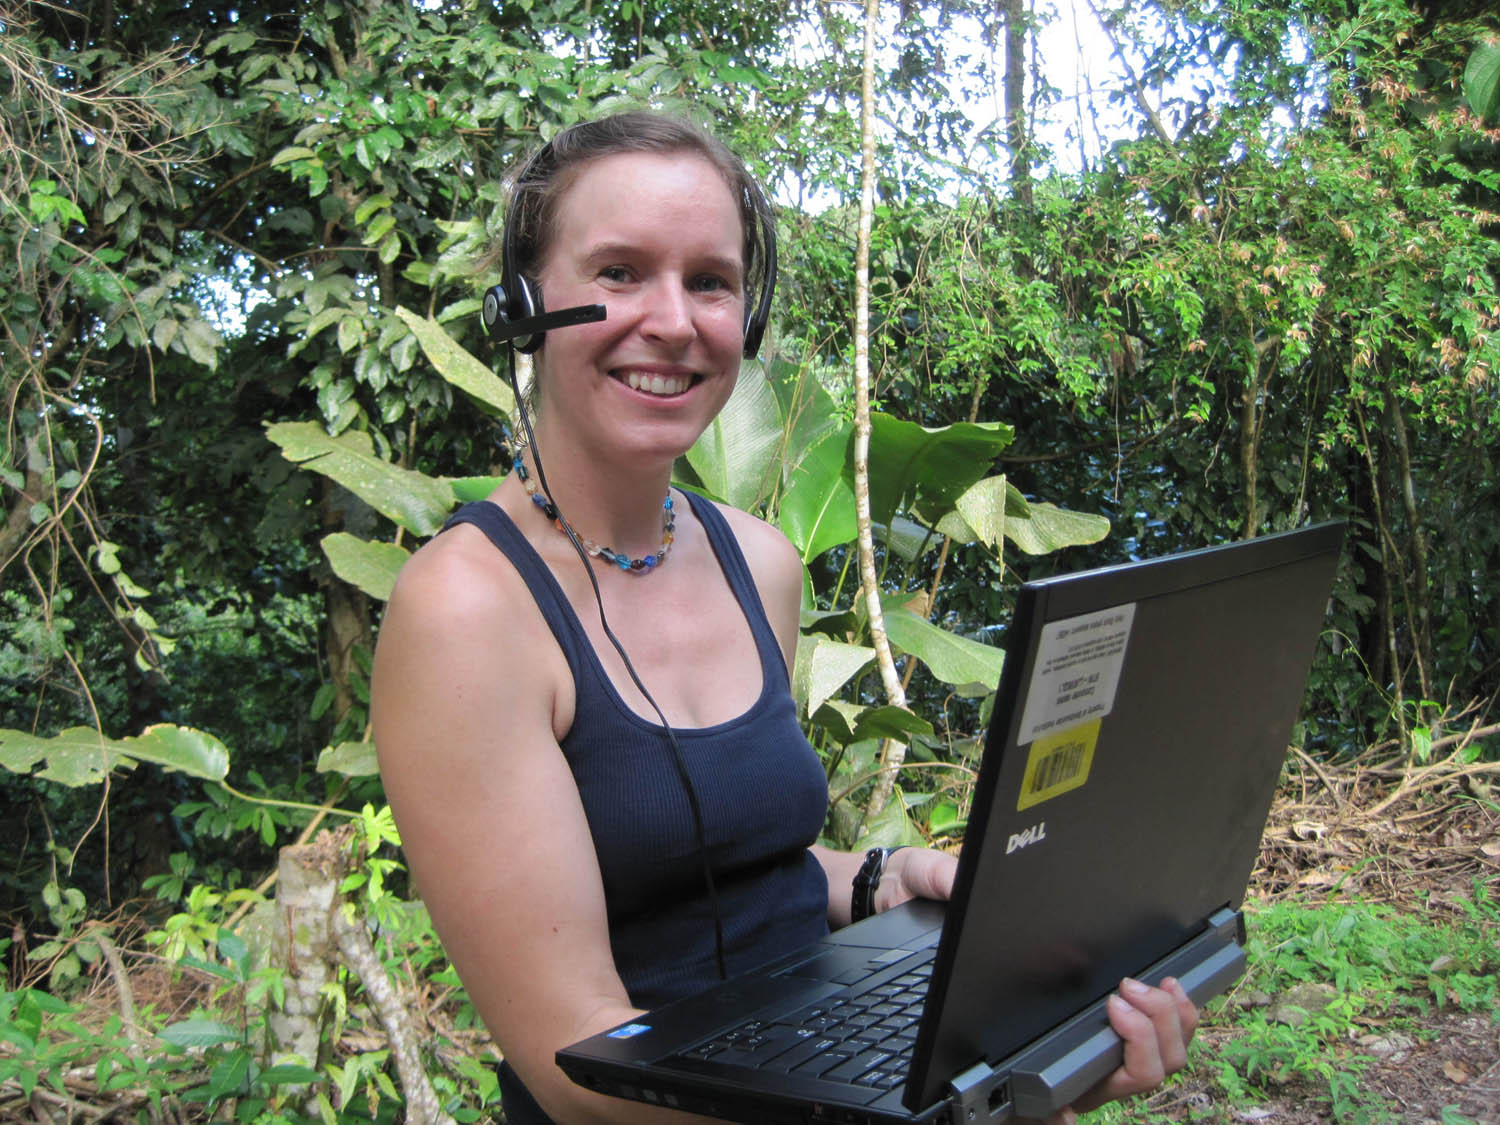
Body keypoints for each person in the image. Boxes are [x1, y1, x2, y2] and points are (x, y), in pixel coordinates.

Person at [371, 110, 1197, 1125]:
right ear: (523, 305)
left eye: (710, 281)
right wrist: (929, 1104)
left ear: (745, 320)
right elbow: (574, 1066)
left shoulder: (756, 562)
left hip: (816, 1075)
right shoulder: (467, 609)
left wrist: (886, 882)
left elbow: (723, 869)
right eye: (620, 272)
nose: (673, 320)